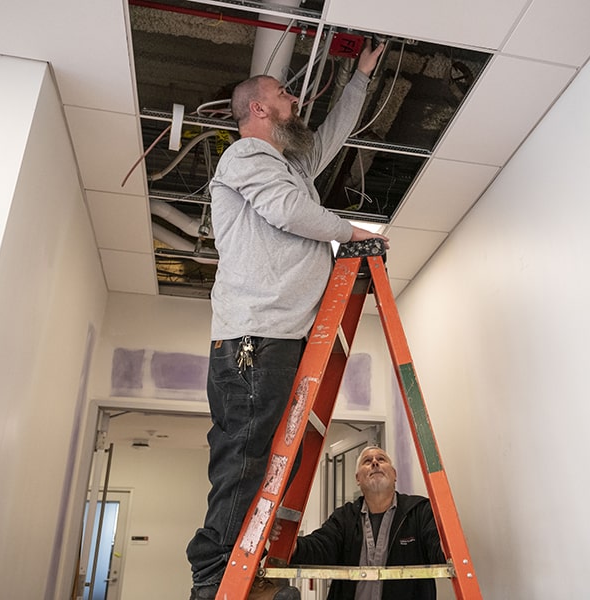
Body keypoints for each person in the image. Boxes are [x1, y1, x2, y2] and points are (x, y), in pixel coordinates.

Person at [186, 40, 389, 600]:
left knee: (278, 456)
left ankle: (248, 570)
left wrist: (361, 77)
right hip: (256, 336)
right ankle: (216, 580)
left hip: (280, 335)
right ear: (257, 108)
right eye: (282, 94)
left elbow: (328, 139)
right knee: (247, 458)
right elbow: (288, 212)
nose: (294, 99)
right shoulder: (246, 158)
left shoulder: (286, 166)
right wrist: (355, 233)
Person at [273, 446, 445, 600]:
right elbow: (321, 546)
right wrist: (291, 546)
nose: (375, 463)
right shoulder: (345, 517)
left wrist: (448, 551)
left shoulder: (419, 511)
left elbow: (440, 550)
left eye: (381, 459)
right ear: (358, 479)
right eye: (367, 461)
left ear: (394, 475)